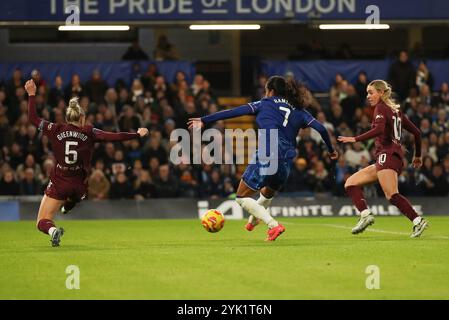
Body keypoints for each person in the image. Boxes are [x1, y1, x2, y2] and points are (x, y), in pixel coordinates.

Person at [188, 76, 337, 241]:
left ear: (270, 91)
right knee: (267, 195)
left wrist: (204, 120)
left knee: (241, 197)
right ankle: (253, 221)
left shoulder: (265, 103)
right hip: (287, 160)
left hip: (269, 151)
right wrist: (331, 150)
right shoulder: (299, 110)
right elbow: (322, 129)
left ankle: (274, 225)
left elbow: (234, 112)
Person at [24, 79, 149, 247]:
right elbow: (114, 136)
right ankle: (68, 206)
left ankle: (53, 231)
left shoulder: (55, 129)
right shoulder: (90, 132)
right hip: (79, 185)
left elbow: (32, 118)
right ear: (82, 118)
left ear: (68, 117)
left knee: (42, 221)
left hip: (60, 181)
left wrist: (31, 94)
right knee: (74, 196)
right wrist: (137, 134)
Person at [338, 80, 427, 238]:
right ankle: (365, 215)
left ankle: (417, 221)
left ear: (381, 93)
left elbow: (378, 129)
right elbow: (417, 133)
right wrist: (418, 155)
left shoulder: (381, 107)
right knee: (350, 183)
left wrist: (355, 139)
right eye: (367, 93)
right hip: (389, 157)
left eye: (371, 92)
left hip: (388, 155)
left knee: (392, 195)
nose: (368, 96)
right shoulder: (396, 111)